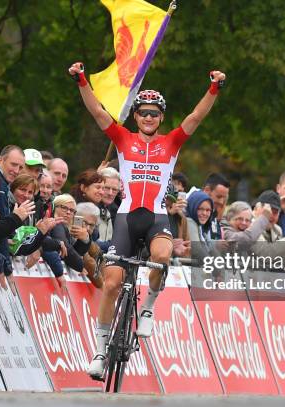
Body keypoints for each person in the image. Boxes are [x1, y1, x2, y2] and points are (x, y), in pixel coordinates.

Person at [69, 60, 226, 378]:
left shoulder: (172, 143)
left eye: (155, 113)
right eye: (143, 112)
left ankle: (149, 306)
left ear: (161, 118)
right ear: (136, 116)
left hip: (155, 217)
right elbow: (99, 113)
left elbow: (196, 117)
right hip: (128, 218)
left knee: (161, 257)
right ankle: (100, 351)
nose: (149, 117)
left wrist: (214, 87)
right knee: (111, 283)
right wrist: (82, 80)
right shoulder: (124, 138)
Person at [201, 173, 230, 240]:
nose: (221, 202)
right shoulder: (194, 212)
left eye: (224, 198)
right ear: (207, 190)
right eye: (219, 197)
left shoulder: (214, 212)